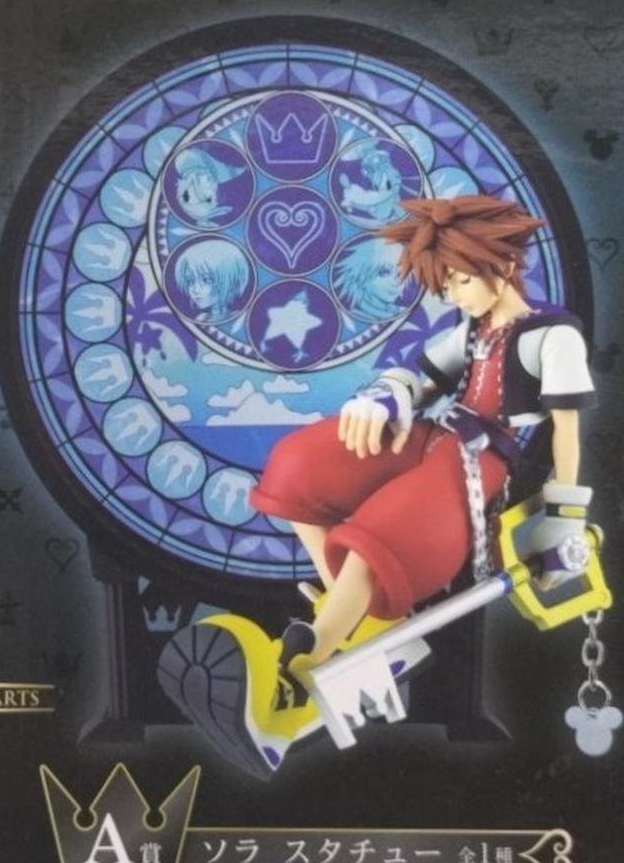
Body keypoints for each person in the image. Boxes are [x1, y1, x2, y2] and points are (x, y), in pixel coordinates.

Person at [248, 192, 596, 673]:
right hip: (434, 435)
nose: (455, 296)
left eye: (462, 281)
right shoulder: (474, 330)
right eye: (447, 285)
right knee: (298, 467)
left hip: (484, 462)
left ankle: (309, 659)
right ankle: (355, 616)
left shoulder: (553, 337)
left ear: (502, 265)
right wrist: (387, 397)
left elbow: (566, 432)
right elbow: (423, 382)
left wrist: (566, 516)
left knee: (386, 531)